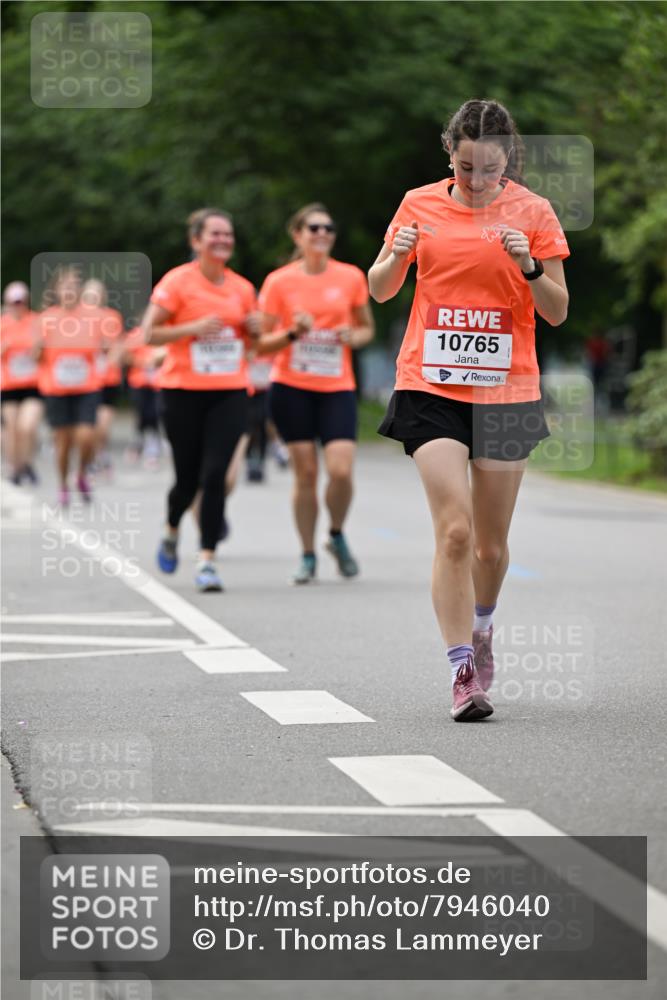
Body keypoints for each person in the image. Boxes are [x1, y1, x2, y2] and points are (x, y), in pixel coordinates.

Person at [369, 99, 570, 722]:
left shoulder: (533, 211)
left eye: (488, 169)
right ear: (449, 154)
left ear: (507, 159)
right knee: (454, 532)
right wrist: (396, 255)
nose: (476, 182)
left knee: (489, 547)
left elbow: (557, 309)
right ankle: (462, 670)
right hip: (431, 384)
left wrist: (529, 265)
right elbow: (378, 289)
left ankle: (483, 627)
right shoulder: (418, 203)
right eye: (464, 167)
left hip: (506, 390)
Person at [142, 208, 261, 592]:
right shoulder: (177, 283)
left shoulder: (242, 288)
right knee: (187, 479)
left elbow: (254, 344)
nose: (223, 240)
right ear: (196, 241)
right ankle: (172, 527)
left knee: (215, 476)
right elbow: (150, 334)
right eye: (214, 234)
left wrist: (254, 330)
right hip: (182, 392)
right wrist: (192, 327)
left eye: (228, 234)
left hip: (228, 391)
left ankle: (207, 559)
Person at [258, 203, 374, 584]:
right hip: (291, 386)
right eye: (313, 228)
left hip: (336, 386)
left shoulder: (351, 277)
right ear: (298, 235)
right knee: (305, 474)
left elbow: (366, 329)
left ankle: (336, 535)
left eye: (328, 227)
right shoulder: (279, 282)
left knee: (340, 470)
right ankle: (307, 553)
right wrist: (292, 333)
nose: (322, 233)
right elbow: (261, 345)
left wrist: (350, 337)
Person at [36, 267, 102, 505]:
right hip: (57, 388)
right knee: (62, 442)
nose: (70, 290)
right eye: (65, 285)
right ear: (57, 290)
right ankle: (63, 484)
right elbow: (35, 355)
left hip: (87, 386)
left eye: (74, 285)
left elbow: (106, 346)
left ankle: (82, 474)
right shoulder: (46, 318)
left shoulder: (92, 317)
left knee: (86, 437)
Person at [81, 279, 125, 475]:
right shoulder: (75, 319)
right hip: (83, 381)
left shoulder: (112, 317)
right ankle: (90, 459)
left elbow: (116, 347)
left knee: (102, 425)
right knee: (87, 426)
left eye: (97, 294)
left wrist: (109, 357)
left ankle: (101, 453)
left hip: (107, 379)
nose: (93, 298)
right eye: (89, 295)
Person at [1, 281, 43, 484]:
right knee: (12, 429)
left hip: (32, 385)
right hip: (9, 386)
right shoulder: (2, 324)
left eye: (21, 302)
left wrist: (37, 351)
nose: (18, 306)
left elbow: (46, 351)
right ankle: (16, 467)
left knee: (27, 426)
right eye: (13, 302)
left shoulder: (36, 322)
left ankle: (27, 462)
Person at [123, 326, 164, 466]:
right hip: (139, 382)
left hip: (158, 383)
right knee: (141, 413)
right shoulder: (136, 334)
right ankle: (138, 441)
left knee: (155, 413)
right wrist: (142, 362)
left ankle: (153, 445)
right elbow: (125, 355)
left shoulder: (166, 331)